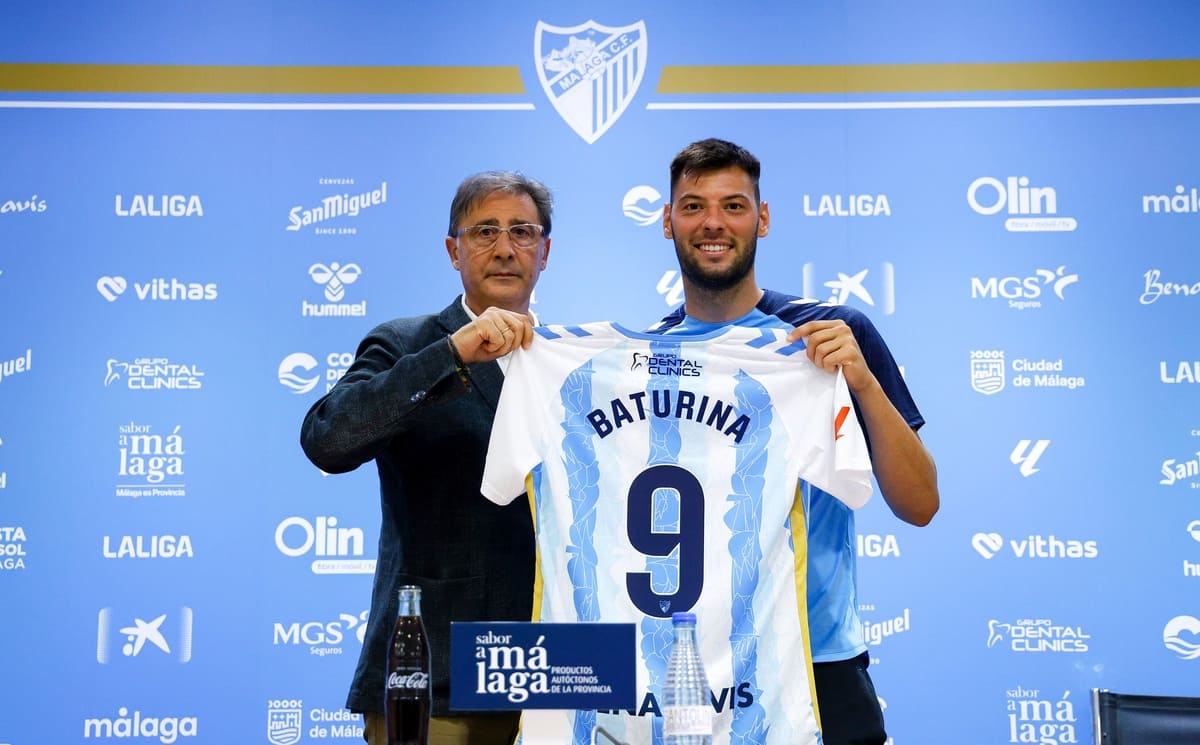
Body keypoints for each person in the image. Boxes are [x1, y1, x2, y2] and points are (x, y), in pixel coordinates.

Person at [650, 138, 940, 745]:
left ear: (763, 217)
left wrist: (859, 378)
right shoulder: (642, 358)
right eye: (693, 206)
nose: (713, 223)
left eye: (733, 205)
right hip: (690, 668)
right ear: (667, 220)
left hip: (819, 666)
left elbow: (920, 504)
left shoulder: (835, 333)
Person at [299, 171, 553, 745]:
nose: (505, 248)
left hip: (560, 669)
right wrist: (452, 354)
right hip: (436, 672)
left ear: (545, 251)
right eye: (485, 231)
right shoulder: (408, 343)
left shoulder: (582, 363)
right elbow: (328, 439)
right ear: (453, 250)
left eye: (522, 231)